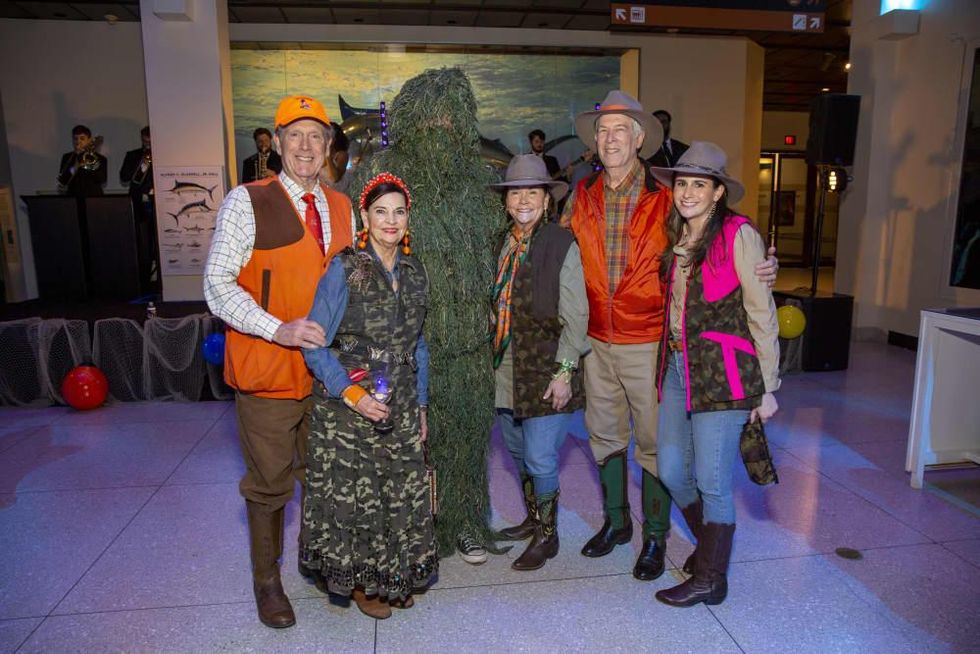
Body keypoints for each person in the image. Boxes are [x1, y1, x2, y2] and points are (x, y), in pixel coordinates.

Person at [559, 90, 777, 583]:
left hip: (650, 341)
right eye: (603, 131)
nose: (610, 139)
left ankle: (655, 537)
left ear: (639, 139)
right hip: (597, 340)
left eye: (621, 130)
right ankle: (617, 523)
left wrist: (766, 265)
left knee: (655, 444)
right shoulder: (581, 195)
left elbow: (719, 241)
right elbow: (558, 253)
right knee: (603, 436)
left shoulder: (668, 199)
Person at [203, 95, 354, 629]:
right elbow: (217, 285)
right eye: (295, 135)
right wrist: (277, 328)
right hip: (267, 371)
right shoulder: (246, 201)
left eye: (316, 136)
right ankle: (267, 582)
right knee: (269, 485)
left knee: (324, 475)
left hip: (328, 377)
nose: (306, 146)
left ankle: (319, 561)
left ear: (329, 146)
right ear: (277, 142)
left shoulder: (343, 206)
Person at [347, 67, 500, 566]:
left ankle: (467, 522)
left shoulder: (481, 181)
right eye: (429, 115)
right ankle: (416, 527)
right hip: (405, 345)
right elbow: (352, 243)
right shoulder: (382, 172)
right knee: (406, 441)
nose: (439, 125)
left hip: (471, 345)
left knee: (467, 438)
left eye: (449, 115)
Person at [301, 171, 437, 620]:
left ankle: (393, 574)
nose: (391, 221)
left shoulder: (416, 272)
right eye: (381, 211)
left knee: (398, 491)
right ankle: (362, 582)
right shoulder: (344, 269)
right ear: (365, 216)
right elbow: (314, 343)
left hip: (400, 399)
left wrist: (420, 405)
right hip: (349, 404)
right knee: (360, 498)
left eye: (399, 212)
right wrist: (351, 393)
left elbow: (418, 344)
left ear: (409, 218)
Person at [650, 142, 780, 607]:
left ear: (718, 192)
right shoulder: (678, 234)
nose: (687, 193)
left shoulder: (738, 234)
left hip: (724, 374)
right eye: (682, 183)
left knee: (712, 480)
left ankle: (710, 578)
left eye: (699, 185)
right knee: (671, 469)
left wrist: (767, 386)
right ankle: (710, 550)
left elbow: (761, 311)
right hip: (678, 367)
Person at [489, 155, 589, 571]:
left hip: (548, 368)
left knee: (540, 456)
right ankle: (534, 518)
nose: (524, 200)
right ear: (506, 201)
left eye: (533, 192)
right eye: (516, 193)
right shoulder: (501, 243)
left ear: (547, 200)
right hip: (506, 367)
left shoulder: (560, 244)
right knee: (516, 450)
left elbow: (577, 316)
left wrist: (564, 373)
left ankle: (548, 535)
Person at [119, 126, 158, 290]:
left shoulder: (161, 154)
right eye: (144, 141)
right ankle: (142, 277)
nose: (147, 144)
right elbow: (124, 177)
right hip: (138, 202)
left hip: (155, 201)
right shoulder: (133, 155)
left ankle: (157, 274)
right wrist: (141, 164)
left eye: (149, 141)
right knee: (141, 240)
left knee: (155, 239)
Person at [57, 124, 107, 196]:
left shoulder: (100, 158)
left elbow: (102, 179)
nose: (78, 141)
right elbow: (63, 180)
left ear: (89, 140)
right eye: (75, 138)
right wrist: (75, 165)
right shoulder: (67, 157)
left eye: (82, 138)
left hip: (93, 197)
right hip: (73, 197)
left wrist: (87, 161)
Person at [319, 121, 351, 193]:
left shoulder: (342, 155)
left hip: (336, 193)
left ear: (334, 138)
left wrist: (328, 156)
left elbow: (335, 178)